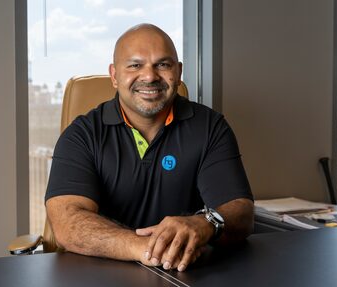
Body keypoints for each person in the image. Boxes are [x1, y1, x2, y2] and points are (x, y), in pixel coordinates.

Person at [45, 23, 254, 272]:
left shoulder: (211, 127)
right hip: (100, 275)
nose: (149, 76)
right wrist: (149, 249)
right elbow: (67, 224)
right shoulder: (82, 134)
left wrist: (205, 223)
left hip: (187, 272)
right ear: (114, 75)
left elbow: (241, 212)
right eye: (135, 65)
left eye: (162, 65)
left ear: (178, 73)